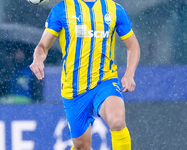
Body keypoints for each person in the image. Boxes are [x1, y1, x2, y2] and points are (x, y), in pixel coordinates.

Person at [30, 0, 140, 149]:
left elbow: (132, 45)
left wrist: (129, 74)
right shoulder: (62, 9)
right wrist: (38, 59)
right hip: (74, 89)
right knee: (82, 146)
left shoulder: (114, 9)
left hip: (105, 81)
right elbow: (42, 46)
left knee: (117, 121)